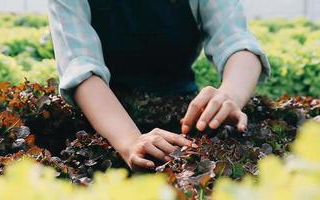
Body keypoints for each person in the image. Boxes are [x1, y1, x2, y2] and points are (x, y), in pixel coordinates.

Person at [48, 0, 271, 170]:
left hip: (182, 124)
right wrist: (130, 141)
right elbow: (80, 67)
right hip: (104, 128)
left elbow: (237, 40)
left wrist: (230, 94)